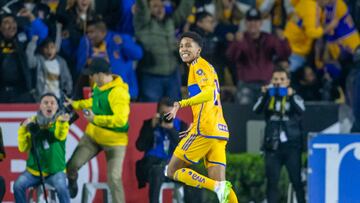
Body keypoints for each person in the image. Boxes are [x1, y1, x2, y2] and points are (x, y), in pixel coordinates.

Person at [165, 31, 238, 203]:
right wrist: (194, 122)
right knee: (223, 186)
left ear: (199, 49)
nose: (183, 49)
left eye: (189, 45)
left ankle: (216, 187)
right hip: (218, 130)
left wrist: (181, 104)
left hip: (205, 130)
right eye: (181, 46)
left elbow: (209, 93)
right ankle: (218, 187)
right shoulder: (206, 67)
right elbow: (210, 101)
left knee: (171, 170)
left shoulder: (198, 66)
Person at [65, 58, 130, 203]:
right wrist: (75, 104)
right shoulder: (98, 86)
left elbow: (120, 120)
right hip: (93, 137)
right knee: (71, 166)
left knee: (114, 178)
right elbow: (93, 103)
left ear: (101, 74)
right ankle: (72, 181)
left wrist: (95, 119)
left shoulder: (119, 93)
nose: (90, 77)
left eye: (92, 74)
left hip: (115, 142)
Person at [252, 67, 306, 203]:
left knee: (296, 181)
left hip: (292, 146)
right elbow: (256, 110)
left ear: (288, 81)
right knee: (272, 182)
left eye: (282, 79)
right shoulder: (268, 96)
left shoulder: (293, 95)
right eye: (275, 79)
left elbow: (302, 110)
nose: (278, 82)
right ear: (271, 81)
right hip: (273, 146)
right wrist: (264, 95)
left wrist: (291, 96)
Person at [13, 93, 71, 203]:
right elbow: (23, 148)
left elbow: (60, 135)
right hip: (33, 172)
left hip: (55, 171)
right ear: (40, 106)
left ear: (57, 107)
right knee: (18, 186)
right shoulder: (32, 122)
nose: (49, 105)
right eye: (45, 103)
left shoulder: (60, 121)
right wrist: (23, 130)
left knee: (62, 188)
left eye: (52, 103)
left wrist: (63, 123)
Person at [226, 8, 291, 104]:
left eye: (256, 21)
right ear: (245, 23)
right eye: (250, 21)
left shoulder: (269, 38)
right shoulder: (240, 38)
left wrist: (282, 40)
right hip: (246, 84)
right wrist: (237, 43)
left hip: (266, 83)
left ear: (261, 23)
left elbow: (284, 55)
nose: (253, 23)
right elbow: (231, 57)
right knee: (243, 111)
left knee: (271, 110)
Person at [134, 0, 194, 102]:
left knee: (175, 110)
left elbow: (185, 9)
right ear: (148, 9)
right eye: (155, 6)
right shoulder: (142, 23)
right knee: (150, 111)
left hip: (172, 74)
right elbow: (141, 7)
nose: (160, 9)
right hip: (151, 75)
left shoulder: (170, 21)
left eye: (162, 6)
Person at [136, 97, 188, 203]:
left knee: (193, 172)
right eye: (165, 113)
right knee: (157, 170)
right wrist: (151, 127)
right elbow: (140, 146)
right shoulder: (150, 124)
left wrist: (171, 129)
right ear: (158, 112)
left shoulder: (181, 125)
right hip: (153, 166)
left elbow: (184, 148)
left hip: (173, 166)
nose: (168, 116)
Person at [76, 19, 143, 100]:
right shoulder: (86, 42)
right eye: (87, 32)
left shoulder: (120, 39)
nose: (89, 35)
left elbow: (138, 55)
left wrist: (123, 43)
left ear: (102, 32)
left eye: (92, 32)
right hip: (100, 94)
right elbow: (80, 67)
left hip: (124, 92)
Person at [26, 36, 73, 101]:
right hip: (41, 98)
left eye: (52, 47)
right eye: (46, 47)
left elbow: (67, 79)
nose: (49, 50)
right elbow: (30, 62)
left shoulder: (61, 62)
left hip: (57, 98)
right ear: (42, 49)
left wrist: (66, 94)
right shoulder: (39, 60)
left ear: (56, 49)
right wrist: (33, 42)